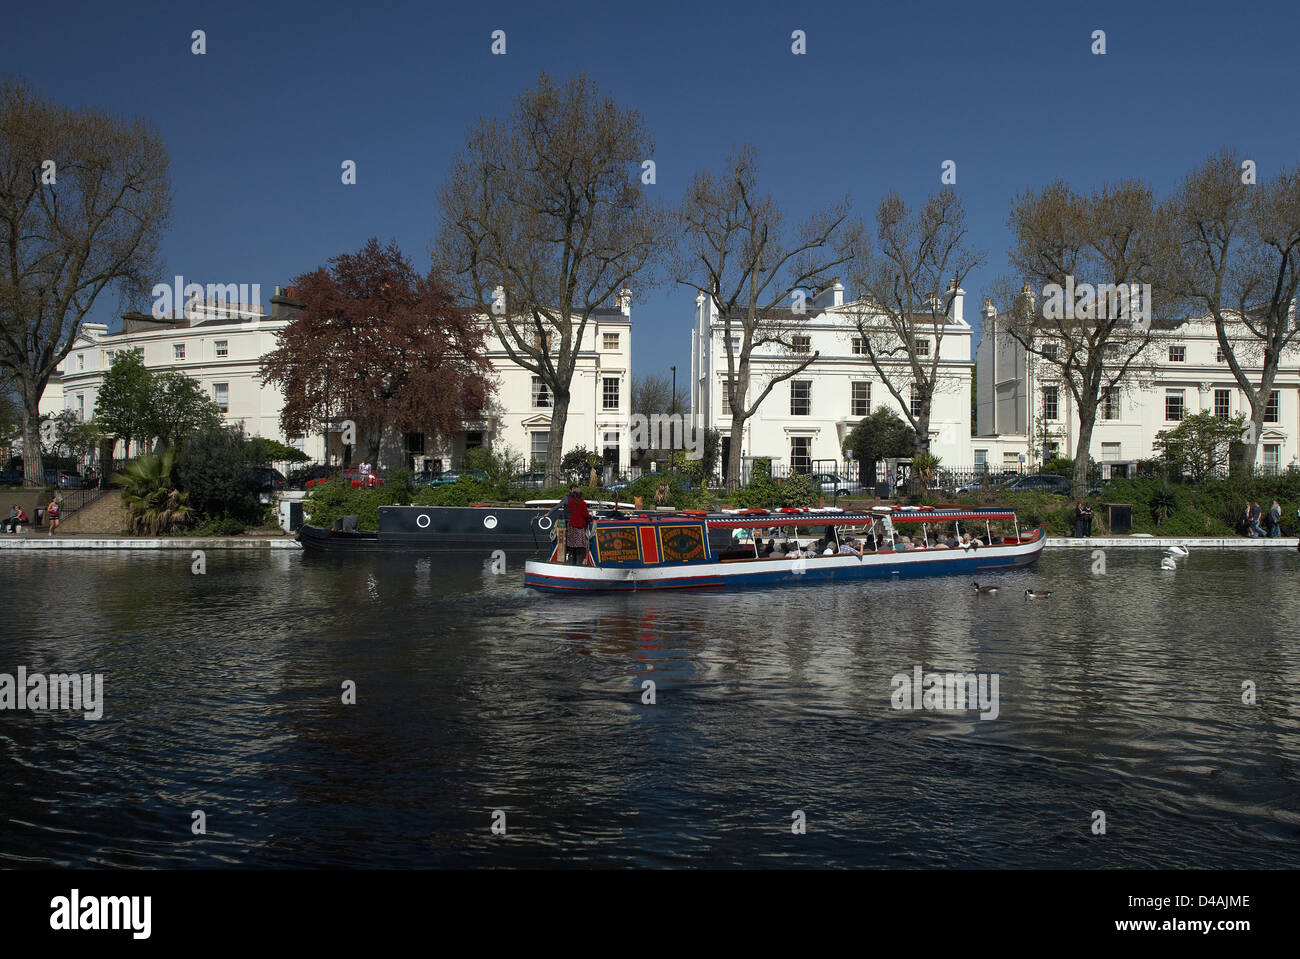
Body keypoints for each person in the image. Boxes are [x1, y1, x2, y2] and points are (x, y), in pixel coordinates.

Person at [561, 484, 591, 564]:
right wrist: (591, 516)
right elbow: (585, 515)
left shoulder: (571, 502)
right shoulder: (582, 503)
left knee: (572, 545)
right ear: (581, 495)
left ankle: (572, 562)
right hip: (579, 526)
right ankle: (579, 563)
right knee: (579, 546)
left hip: (571, 525)